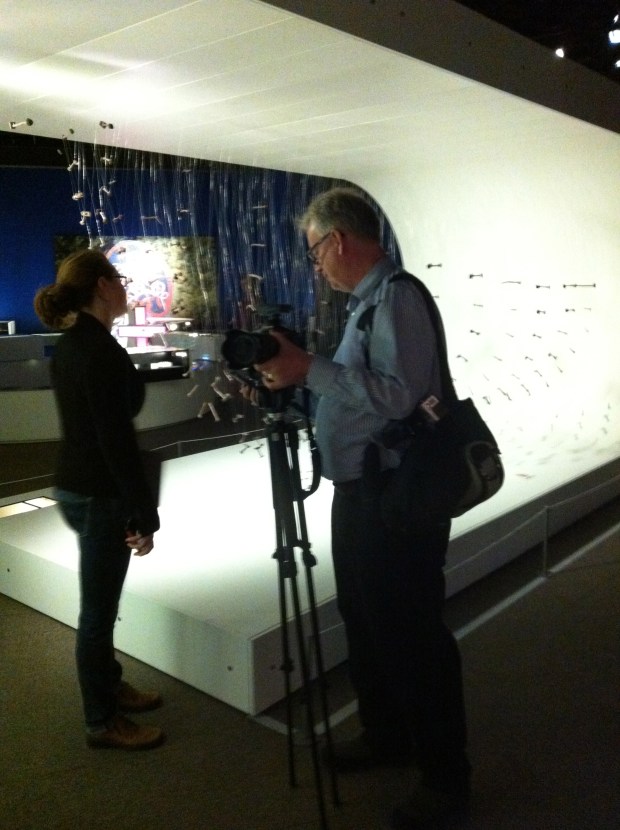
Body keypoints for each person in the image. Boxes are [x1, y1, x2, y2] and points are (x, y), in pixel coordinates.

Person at [251, 188, 471, 828]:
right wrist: (299, 377)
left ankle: (445, 778)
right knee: (368, 621)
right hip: (365, 493)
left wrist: (309, 370)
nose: (316, 264)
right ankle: (386, 737)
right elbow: (361, 392)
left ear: (338, 241)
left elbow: (399, 398)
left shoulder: (396, 298)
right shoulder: (367, 306)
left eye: (316, 250)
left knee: (411, 633)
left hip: (396, 498)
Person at [34, 248, 164, 751]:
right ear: (102, 286)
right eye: (119, 278)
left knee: (100, 605)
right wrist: (143, 510)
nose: (125, 286)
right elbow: (115, 439)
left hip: (76, 485)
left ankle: (110, 685)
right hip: (98, 494)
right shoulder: (99, 352)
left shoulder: (75, 344)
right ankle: (101, 721)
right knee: (97, 613)